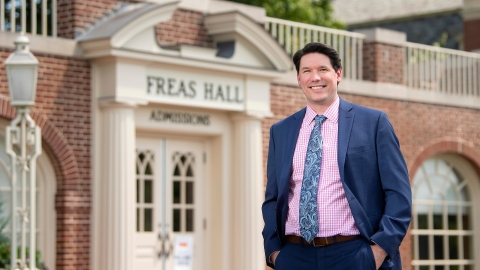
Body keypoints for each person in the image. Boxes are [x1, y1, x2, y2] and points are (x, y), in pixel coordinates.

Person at [262, 42, 412, 270]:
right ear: (298, 78)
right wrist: (274, 253)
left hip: (354, 254)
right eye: (307, 71)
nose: (315, 77)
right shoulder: (281, 131)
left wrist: (379, 250)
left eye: (323, 69)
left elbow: (398, 193)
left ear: (338, 74)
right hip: (295, 256)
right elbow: (273, 198)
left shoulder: (373, 123)